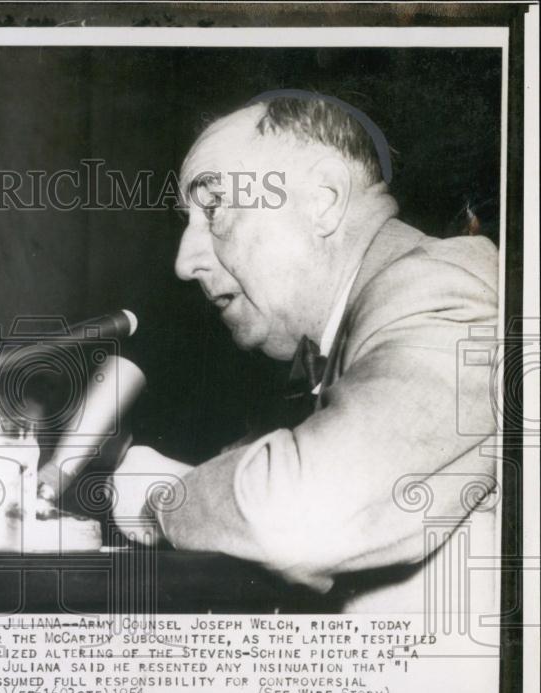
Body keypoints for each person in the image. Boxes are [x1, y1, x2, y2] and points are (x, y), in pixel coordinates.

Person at [113, 95, 499, 612]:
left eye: (213, 210)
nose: (185, 262)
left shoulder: (448, 290)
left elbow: (301, 514)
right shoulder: (341, 344)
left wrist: (166, 497)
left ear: (323, 198)